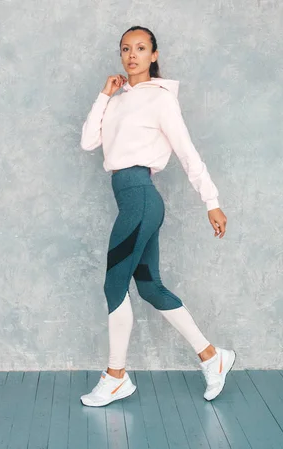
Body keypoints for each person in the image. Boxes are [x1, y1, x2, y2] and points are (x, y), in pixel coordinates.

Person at [79, 25, 236, 407]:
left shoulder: (161, 99)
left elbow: (186, 151)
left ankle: (116, 376)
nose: (132, 55)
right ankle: (213, 357)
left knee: (115, 285)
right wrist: (104, 94)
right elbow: (87, 141)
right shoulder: (117, 99)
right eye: (125, 49)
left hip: (141, 200)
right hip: (131, 200)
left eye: (141, 48)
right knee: (148, 287)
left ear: (154, 55)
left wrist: (211, 200)